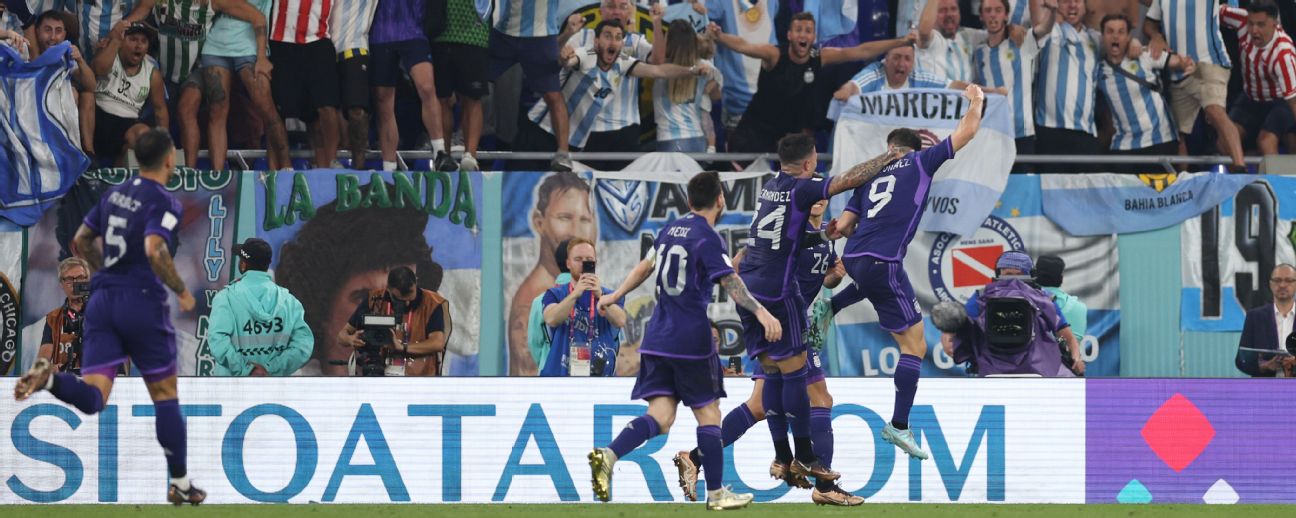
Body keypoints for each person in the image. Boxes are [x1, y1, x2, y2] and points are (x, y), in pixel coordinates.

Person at [14, 128, 204, 505]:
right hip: (142, 302)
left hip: (102, 301)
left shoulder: (116, 194)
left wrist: (104, 274)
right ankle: (181, 484)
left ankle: (51, 380)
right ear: (170, 159)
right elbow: (154, 248)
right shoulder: (164, 201)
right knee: (166, 398)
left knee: (94, 397)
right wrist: (181, 291)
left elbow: (81, 242)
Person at [592, 171, 776, 510]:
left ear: (689, 201)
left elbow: (644, 267)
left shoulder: (668, 231)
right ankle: (717, 494)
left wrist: (615, 294)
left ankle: (609, 454)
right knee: (709, 414)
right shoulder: (707, 238)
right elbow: (731, 282)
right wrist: (762, 313)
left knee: (661, 416)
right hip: (690, 338)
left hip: (657, 337)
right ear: (720, 199)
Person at [824, 84, 987, 461]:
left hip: (857, 259)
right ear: (913, 148)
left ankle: (831, 307)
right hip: (883, 261)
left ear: (888, 146)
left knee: (876, 285)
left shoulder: (868, 176)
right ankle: (899, 425)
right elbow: (968, 132)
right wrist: (976, 100)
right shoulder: (920, 161)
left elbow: (845, 225)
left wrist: (834, 230)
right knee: (914, 346)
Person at [736, 132, 902, 481]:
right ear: (810, 164)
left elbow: (785, 234)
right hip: (778, 293)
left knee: (772, 380)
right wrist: (886, 159)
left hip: (750, 289)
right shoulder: (805, 188)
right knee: (800, 380)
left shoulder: (770, 187)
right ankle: (808, 459)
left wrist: (823, 239)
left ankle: (782, 457)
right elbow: (849, 179)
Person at [674, 198, 860, 506]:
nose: (813, 203)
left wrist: (834, 277)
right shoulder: (787, 232)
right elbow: (736, 265)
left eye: (818, 198)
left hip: (792, 322)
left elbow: (818, 279)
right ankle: (823, 485)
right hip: (781, 322)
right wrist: (758, 307)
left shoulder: (825, 242)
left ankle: (696, 457)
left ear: (825, 201)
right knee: (821, 399)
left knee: (759, 405)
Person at [275, 199, 441, 376]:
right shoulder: (291, 386)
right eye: (363, 298)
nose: (386, 312)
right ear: (321, 309)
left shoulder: (432, 385)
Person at [711, 13, 915, 154]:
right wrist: (719, 36)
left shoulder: (820, 57)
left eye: (808, 30)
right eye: (798, 30)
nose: (803, 34)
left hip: (788, 136)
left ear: (813, 37)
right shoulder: (773, 55)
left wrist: (900, 42)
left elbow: (861, 50)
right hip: (755, 132)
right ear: (790, 35)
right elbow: (744, 46)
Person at [530, 20, 712, 170]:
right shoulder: (586, 55)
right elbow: (565, 60)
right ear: (596, 41)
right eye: (607, 36)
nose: (612, 42)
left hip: (573, 139)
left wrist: (691, 70)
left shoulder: (623, 62)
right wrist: (565, 44)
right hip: (542, 129)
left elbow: (658, 70)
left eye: (618, 38)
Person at [179, 0, 289, 171]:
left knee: (266, 109)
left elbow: (259, 18)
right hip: (215, 46)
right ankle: (218, 175)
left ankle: (286, 168)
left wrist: (262, 57)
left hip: (250, 48)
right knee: (217, 112)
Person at [937, 251, 1085, 377]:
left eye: (1018, 275)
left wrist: (950, 341)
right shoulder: (1043, 298)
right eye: (1008, 274)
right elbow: (1068, 336)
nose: (1013, 281)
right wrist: (1076, 358)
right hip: (1037, 371)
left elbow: (1066, 334)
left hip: (990, 370)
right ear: (998, 273)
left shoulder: (980, 297)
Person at [507, 172, 596, 376]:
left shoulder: (597, 294)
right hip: (553, 395)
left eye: (584, 219)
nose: (576, 231)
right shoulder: (533, 300)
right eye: (564, 218)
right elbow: (530, 369)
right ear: (539, 222)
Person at [1144, 0, 1246, 171]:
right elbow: (1149, 23)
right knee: (1177, 133)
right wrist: (1156, 36)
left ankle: (1240, 171)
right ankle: (1182, 185)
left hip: (1209, 63)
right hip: (1179, 69)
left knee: (1215, 111)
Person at [559, 0, 665, 162]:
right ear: (600, 12)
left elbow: (658, 61)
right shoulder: (582, 37)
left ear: (629, 13)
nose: (616, 12)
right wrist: (566, 41)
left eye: (622, 7)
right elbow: (559, 60)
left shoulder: (635, 41)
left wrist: (657, 23)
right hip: (585, 128)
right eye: (610, 6)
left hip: (625, 128)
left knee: (622, 182)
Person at [207, 238, 314, 376]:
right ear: (267, 264)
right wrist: (270, 369)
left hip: (233, 390)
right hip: (275, 393)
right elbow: (303, 346)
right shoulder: (290, 302)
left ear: (243, 265)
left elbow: (218, 342)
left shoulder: (225, 298)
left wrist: (247, 369)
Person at [371, 0, 456, 172]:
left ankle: (440, 152)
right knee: (383, 100)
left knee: (426, 87)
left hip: (413, 30)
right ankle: (389, 166)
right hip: (380, 31)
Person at [1097, 14, 1192, 164]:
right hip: (1123, 147)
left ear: (1128, 36)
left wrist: (1185, 64)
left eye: (1121, 32)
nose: (1115, 36)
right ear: (1102, 37)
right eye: (1110, 31)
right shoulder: (1097, 70)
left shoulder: (1144, 55)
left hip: (1160, 141)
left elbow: (1178, 62)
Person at [491, 0, 573, 172]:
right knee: (473, 84)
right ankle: (463, 144)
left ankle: (563, 153)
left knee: (553, 95)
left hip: (541, 36)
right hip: (504, 32)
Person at [265, 0, 341, 168]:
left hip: (318, 42)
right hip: (281, 42)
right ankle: (274, 171)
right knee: (276, 110)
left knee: (326, 108)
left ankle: (330, 164)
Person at [336, 266, 451, 376]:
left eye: (410, 297)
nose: (407, 303)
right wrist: (351, 339)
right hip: (379, 371)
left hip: (418, 378)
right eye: (399, 299)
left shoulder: (432, 303)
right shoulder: (374, 300)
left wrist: (402, 347)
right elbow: (341, 336)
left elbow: (437, 343)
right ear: (388, 289)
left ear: (415, 282)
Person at [973, 0, 1048, 164]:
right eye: (988, 10)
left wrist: (1052, 11)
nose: (993, 14)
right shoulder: (979, 52)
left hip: (1022, 134)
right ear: (981, 16)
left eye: (998, 10)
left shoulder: (1021, 43)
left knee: (1022, 188)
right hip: (992, 134)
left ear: (1006, 15)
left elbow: (1043, 29)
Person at [539, 238, 627, 376]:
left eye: (588, 259)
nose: (583, 264)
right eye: (578, 259)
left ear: (595, 263)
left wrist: (600, 296)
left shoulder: (610, 296)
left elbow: (620, 320)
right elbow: (551, 318)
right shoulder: (555, 293)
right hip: (559, 378)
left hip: (601, 380)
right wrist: (575, 294)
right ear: (568, 263)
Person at [1031, 0, 1100, 173]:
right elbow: (1040, 29)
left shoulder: (1096, 39)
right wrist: (1052, 13)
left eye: (1077, 1)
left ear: (1085, 7)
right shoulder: (1051, 31)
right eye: (1065, 1)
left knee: (1084, 196)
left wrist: (1134, 44)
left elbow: (1122, 45)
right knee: (1050, 194)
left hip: (1085, 132)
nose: (1072, 6)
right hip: (1050, 130)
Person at [1221, 0, 1296, 157]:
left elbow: (1293, 101)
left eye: (1261, 25)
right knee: (1225, 142)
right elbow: (1212, 14)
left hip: (1280, 102)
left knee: (1266, 142)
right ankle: (1243, 177)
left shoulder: (1283, 54)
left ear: (1275, 24)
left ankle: (1276, 181)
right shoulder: (1241, 20)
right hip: (1250, 97)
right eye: (1251, 24)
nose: (1254, 30)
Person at [90, 22, 167, 166]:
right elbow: (98, 69)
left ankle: (118, 175)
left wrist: (166, 144)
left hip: (127, 124)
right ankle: (89, 156)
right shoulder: (110, 52)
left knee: (144, 134)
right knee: (86, 100)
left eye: (143, 41)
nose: (138, 45)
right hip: (98, 117)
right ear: (122, 41)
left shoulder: (152, 74)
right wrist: (115, 41)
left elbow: (160, 111)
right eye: (133, 39)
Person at [430, 0, 491, 171]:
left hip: (474, 33)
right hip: (441, 34)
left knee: (472, 97)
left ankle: (470, 156)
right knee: (442, 99)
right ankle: (443, 156)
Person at [653, 19, 722, 153]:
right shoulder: (705, 67)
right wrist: (711, 85)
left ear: (669, 42)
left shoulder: (660, 67)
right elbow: (717, 96)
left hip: (670, 140)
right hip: (697, 139)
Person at [328, 0, 378, 170]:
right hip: (321, 46)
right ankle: (328, 163)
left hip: (355, 47)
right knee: (325, 110)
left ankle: (359, 169)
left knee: (357, 112)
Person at [832, 44, 967, 98]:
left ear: (913, 62)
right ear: (886, 59)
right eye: (896, 57)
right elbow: (853, 86)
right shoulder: (875, 73)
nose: (901, 64)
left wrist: (984, 91)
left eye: (907, 59)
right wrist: (844, 93)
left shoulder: (919, 77)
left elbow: (953, 86)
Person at [1236, 264, 1296, 377]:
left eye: (1288, 280)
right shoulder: (1254, 317)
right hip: (1264, 389)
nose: (1282, 285)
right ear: (1270, 284)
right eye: (1277, 280)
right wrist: (1264, 366)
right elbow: (1241, 360)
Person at [1036, 254, 1087, 371]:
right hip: (1066, 373)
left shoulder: (1025, 302)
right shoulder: (1080, 308)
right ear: (1061, 277)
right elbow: (1072, 346)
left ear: (1034, 274)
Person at [39, 258, 92, 373]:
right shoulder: (53, 318)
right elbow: (42, 363)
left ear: (87, 280)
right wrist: (52, 369)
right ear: (61, 284)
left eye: (80, 278)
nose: (74, 283)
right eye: (69, 279)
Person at [526, 239, 572, 370]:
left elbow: (534, 343)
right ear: (569, 263)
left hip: (549, 376)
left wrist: (547, 360)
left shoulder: (539, 301)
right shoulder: (597, 300)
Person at [915, 0, 985, 82]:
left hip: (966, 94)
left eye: (953, 9)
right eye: (942, 10)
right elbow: (924, 32)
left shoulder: (968, 36)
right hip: (936, 93)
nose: (949, 14)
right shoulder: (931, 40)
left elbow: (998, 33)